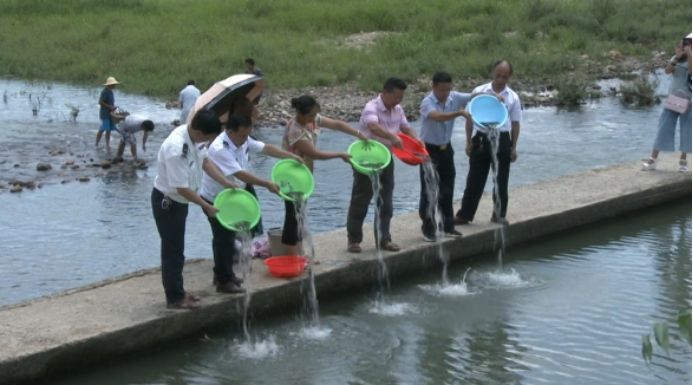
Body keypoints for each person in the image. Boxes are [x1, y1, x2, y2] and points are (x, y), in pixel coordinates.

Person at [200, 115, 302, 293]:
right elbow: (240, 174)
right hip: (215, 198)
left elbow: (266, 148)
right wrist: (267, 184)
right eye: (241, 135)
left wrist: (290, 156)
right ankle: (223, 281)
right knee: (222, 238)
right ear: (229, 131)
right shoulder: (219, 148)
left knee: (229, 237)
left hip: (232, 196)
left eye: (247, 135)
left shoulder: (243, 139)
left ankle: (225, 275)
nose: (244, 139)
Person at [151, 110, 240, 310]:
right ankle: (175, 298)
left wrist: (226, 182)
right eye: (208, 137)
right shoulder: (177, 148)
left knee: (177, 249)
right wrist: (206, 206)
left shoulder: (194, 137)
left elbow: (205, 162)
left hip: (180, 201)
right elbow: (181, 187)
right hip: (169, 202)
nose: (208, 141)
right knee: (173, 251)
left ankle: (179, 292)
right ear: (199, 131)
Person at [282, 95, 368, 256]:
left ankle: (300, 254)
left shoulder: (311, 119)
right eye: (310, 115)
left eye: (315, 115)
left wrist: (357, 133)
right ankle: (293, 256)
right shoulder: (295, 130)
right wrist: (340, 155)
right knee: (292, 217)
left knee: (300, 214)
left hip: (304, 175)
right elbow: (315, 154)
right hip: (291, 177)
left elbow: (336, 124)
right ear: (300, 113)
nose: (313, 119)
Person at [346, 77, 422, 253]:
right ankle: (354, 240)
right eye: (396, 97)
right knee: (361, 200)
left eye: (401, 97)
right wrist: (392, 137)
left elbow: (406, 127)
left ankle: (384, 239)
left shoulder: (398, 109)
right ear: (386, 92)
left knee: (386, 201)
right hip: (365, 160)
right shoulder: (371, 107)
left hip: (386, 159)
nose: (399, 101)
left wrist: (416, 140)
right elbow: (373, 127)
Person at [455, 60, 522, 226]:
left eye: (504, 77)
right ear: (493, 72)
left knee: (501, 180)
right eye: (498, 75)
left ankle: (498, 214)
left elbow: (515, 123)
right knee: (475, 179)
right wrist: (468, 141)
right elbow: (470, 117)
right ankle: (465, 214)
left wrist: (514, 147)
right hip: (481, 137)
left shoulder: (512, 97)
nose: (500, 79)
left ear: (509, 77)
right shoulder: (480, 91)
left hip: (503, 138)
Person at [418, 72, 471, 241]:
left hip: (446, 149)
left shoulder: (454, 97)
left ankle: (447, 226)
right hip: (428, 151)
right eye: (442, 90)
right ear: (433, 86)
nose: (445, 93)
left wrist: (492, 95)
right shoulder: (427, 102)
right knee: (429, 190)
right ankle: (428, 228)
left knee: (447, 188)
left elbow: (475, 95)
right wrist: (459, 114)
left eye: (448, 90)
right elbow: (437, 117)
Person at [642, 34, 692, 172]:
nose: (686, 45)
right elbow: (667, 71)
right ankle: (652, 159)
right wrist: (677, 57)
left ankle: (683, 162)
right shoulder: (676, 57)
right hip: (674, 98)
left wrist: (689, 55)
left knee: (687, 131)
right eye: (685, 43)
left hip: (688, 101)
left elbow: (691, 71)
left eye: (689, 43)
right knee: (663, 127)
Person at [96, 77, 119, 151]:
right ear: (110, 85)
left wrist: (113, 108)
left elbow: (110, 102)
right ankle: (97, 144)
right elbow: (100, 102)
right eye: (114, 84)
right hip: (105, 114)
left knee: (108, 129)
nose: (115, 85)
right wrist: (110, 107)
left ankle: (107, 144)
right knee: (103, 129)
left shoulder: (110, 91)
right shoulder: (105, 92)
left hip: (110, 113)